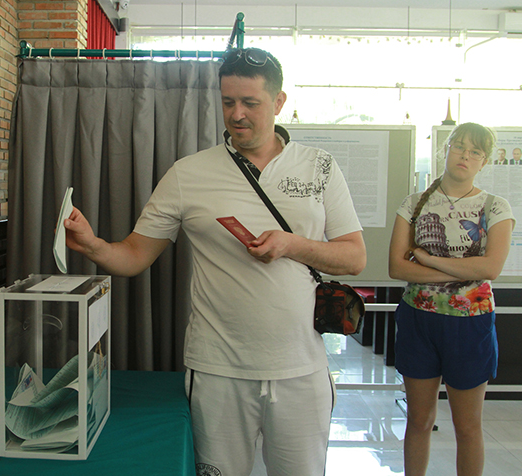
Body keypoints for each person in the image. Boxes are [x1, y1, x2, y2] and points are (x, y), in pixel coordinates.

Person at [63, 47, 366, 476]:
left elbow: (354, 257)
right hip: (218, 370)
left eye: (250, 103)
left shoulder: (320, 167)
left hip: (302, 369)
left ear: (279, 103)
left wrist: (291, 245)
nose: (237, 114)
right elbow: (133, 255)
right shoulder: (189, 173)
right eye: (227, 102)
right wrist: (92, 244)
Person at [388, 123, 515, 476]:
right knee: (419, 419)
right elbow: (396, 268)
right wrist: (462, 271)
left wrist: (427, 260)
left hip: (470, 324)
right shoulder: (414, 204)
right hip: (419, 320)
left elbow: (491, 267)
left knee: (468, 425)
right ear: (446, 151)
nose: (465, 156)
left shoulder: (495, 206)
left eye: (475, 152)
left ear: (484, 161)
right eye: (459, 147)